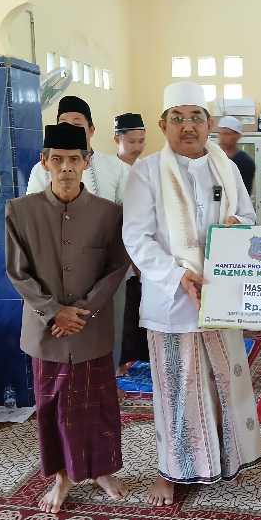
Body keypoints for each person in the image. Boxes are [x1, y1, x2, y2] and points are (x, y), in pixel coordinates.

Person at [122, 81, 261, 507]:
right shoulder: (146, 172)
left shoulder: (227, 167)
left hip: (222, 296)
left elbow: (249, 217)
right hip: (172, 301)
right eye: (178, 118)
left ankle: (225, 459)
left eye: (196, 117)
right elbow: (137, 238)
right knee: (176, 389)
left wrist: (240, 226)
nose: (188, 126)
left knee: (226, 381)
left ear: (209, 124)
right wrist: (178, 275)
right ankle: (172, 471)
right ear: (164, 124)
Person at [6, 122, 129, 513]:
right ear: (44, 162)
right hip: (47, 331)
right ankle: (61, 478)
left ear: (86, 162)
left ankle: (102, 470)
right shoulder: (20, 212)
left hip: (90, 328)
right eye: (56, 159)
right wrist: (54, 311)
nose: (65, 168)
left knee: (97, 403)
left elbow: (115, 267)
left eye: (73, 159)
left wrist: (84, 310)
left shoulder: (109, 214)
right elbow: (17, 271)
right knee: (52, 406)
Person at [25, 96, 129, 204]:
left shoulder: (115, 166)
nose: (69, 129)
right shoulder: (41, 169)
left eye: (77, 125)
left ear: (91, 130)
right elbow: (32, 208)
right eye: (63, 124)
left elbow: (128, 209)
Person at [113, 113, 150, 371]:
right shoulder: (110, 170)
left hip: (143, 248)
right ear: (117, 138)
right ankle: (119, 361)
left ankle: (137, 356)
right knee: (122, 312)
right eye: (132, 141)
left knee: (138, 306)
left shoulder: (146, 169)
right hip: (118, 249)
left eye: (141, 141)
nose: (138, 147)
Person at [217, 115, 255, 195]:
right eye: (220, 133)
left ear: (237, 136)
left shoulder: (245, 162)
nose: (222, 137)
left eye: (227, 134)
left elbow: (243, 195)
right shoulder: (213, 158)